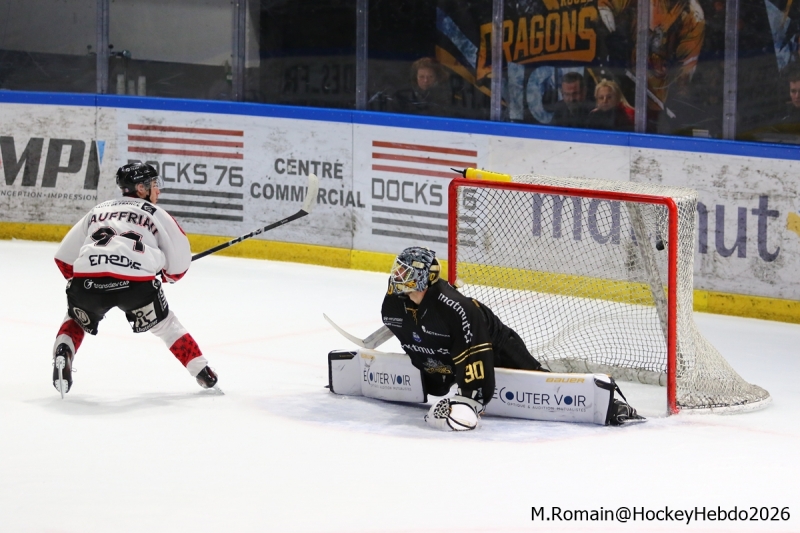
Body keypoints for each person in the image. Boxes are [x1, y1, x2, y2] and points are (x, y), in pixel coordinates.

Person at [51, 162, 218, 395]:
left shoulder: (99, 209)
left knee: (75, 317)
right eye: (153, 184)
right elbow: (178, 267)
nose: (157, 190)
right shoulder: (157, 214)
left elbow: (63, 260)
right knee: (166, 325)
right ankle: (204, 374)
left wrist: (85, 278)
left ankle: (64, 351)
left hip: (88, 282)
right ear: (141, 188)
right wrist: (163, 273)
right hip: (136, 286)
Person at [381, 247, 548, 431]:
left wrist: (472, 397)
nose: (397, 274)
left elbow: (474, 350)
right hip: (452, 348)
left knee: (536, 378)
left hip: (494, 341)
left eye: (404, 271)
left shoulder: (456, 307)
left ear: (422, 277)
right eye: (398, 268)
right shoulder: (394, 303)